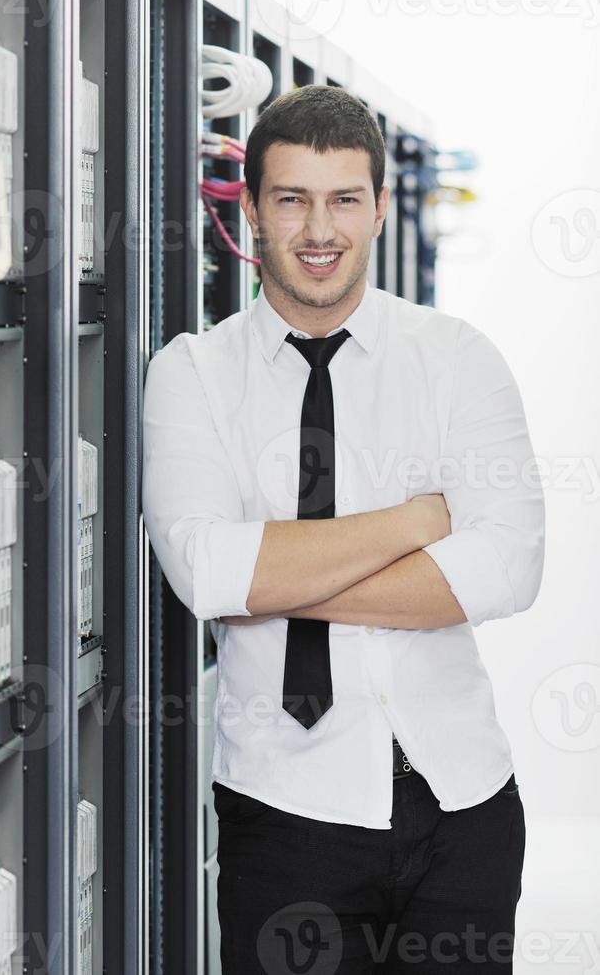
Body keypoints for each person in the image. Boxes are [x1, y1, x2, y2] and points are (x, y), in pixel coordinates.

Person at [141, 85, 545, 973]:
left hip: (462, 810)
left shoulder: (455, 359)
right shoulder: (191, 375)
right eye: (291, 199)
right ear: (250, 211)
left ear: (373, 209)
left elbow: (507, 567)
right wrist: (415, 522)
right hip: (286, 821)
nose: (317, 231)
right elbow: (209, 573)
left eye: (342, 200)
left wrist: (280, 573)